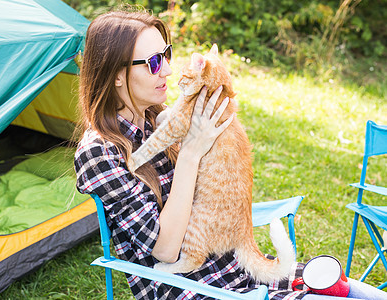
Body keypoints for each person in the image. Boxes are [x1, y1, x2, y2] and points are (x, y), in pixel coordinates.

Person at [74, 8, 387, 300]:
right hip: (195, 288)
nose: (168, 70)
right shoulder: (99, 153)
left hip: (236, 269)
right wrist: (190, 153)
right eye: (155, 62)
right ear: (116, 75)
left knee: (358, 292)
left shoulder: (161, 119)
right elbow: (166, 251)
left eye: (166, 54)